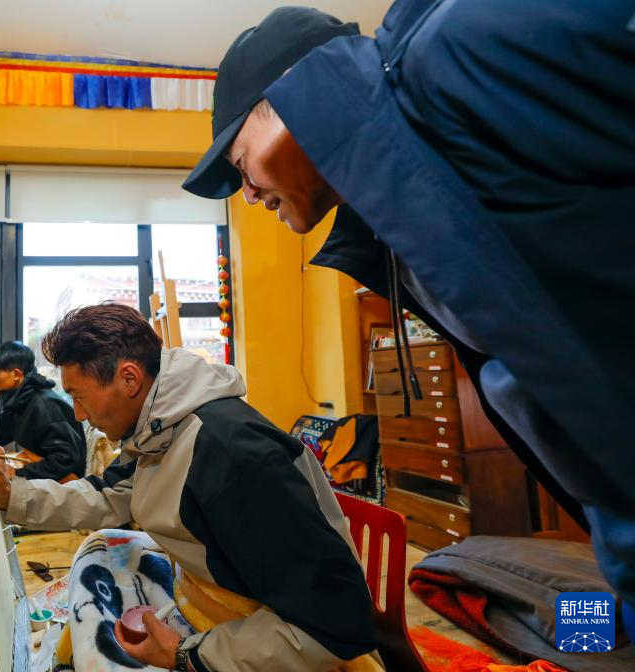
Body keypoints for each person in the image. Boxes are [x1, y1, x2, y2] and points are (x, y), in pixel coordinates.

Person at [180, 3, 635, 638]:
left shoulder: (459, 45)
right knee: (491, 594)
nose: (249, 195)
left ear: (288, 97)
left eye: (239, 166)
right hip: (616, 528)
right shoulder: (395, 228)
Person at [0, 304, 377, 671]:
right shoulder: (158, 427)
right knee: (100, 547)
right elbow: (110, 493)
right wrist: (12, 494)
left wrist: (186, 655)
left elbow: (335, 623)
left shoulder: (233, 457)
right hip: (205, 595)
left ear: (129, 378)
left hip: (269, 639)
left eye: (80, 397)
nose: (78, 415)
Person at [0, 340, 86, 482]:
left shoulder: (44, 405)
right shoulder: (20, 403)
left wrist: (18, 473)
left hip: (64, 488)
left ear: (16, 374)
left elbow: (65, 459)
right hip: (45, 482)